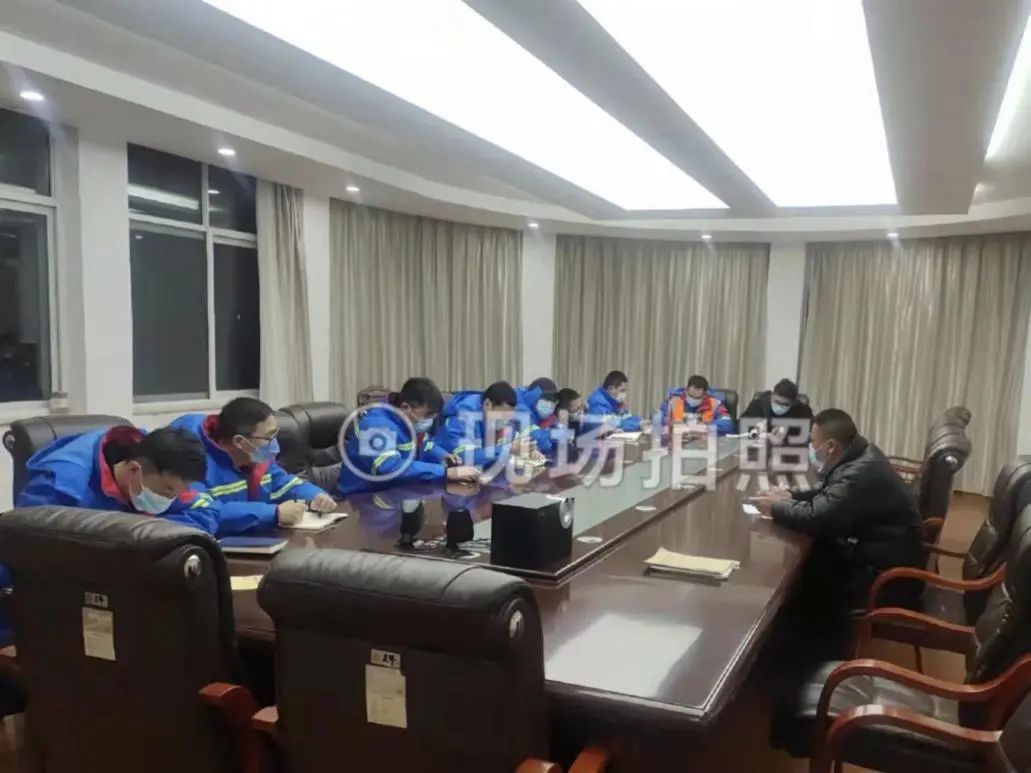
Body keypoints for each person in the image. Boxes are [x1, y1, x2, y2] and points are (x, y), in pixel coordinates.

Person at [749, 408, 924, 614]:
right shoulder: (861, 455)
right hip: (882, 558)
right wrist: (790, 495)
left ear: (830, 446)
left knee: (800, 578)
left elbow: (816, 517)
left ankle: (802, 630)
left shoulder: (858, 473)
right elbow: (830, 493)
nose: (810, 448)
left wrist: (775, 507)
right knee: (812, 559)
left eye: (813, 442)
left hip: (885, 580)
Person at [170, 397, 337, 535]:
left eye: (276, 435)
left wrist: (315, 496)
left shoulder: (255, 458)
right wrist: (273, 514)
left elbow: (283, 483)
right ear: (240, 442)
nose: (275, 444)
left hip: (255, 543)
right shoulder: (188, 462)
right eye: (269, 437)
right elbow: (203, 513)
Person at [16, 425, 214, 531]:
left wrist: (152, 534)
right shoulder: (60, 485)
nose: (171, 499)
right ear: (134, 471)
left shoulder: (167, 466)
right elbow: (24, 545)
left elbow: (206, 509)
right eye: (168, 491)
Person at [337, 377, 479, 496]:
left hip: (395, 492)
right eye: (427, 415)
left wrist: (442, 456)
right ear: (405, 407)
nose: (429, 421)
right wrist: (445, 472)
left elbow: (424, 443)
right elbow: (389, 468)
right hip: (361, 498)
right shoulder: (375, 425)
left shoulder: (408, 421)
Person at [434, 380, 520, 466]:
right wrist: (508, 449)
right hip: (443, 465)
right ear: (487, 404)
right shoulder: (465, 415)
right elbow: (469, 458)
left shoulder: (496, 416)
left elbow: (509, 437)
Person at [659, 374, 733, 434]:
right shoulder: (673, 400)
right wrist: (669, 422)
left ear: (705, 394)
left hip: (703, 440)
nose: (693, 399)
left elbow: (727, 422)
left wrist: (706, 426)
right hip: (677, 439)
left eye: (698, 397)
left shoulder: (715, 403)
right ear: (687, 390)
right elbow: (658, 417)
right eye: (691, 396)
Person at [515, 377, 561, 454]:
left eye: (552, 402)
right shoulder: (519, 408)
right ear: (534, 398)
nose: (549, 406)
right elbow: (539, 442)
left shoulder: (534, 409)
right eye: (546, 401)